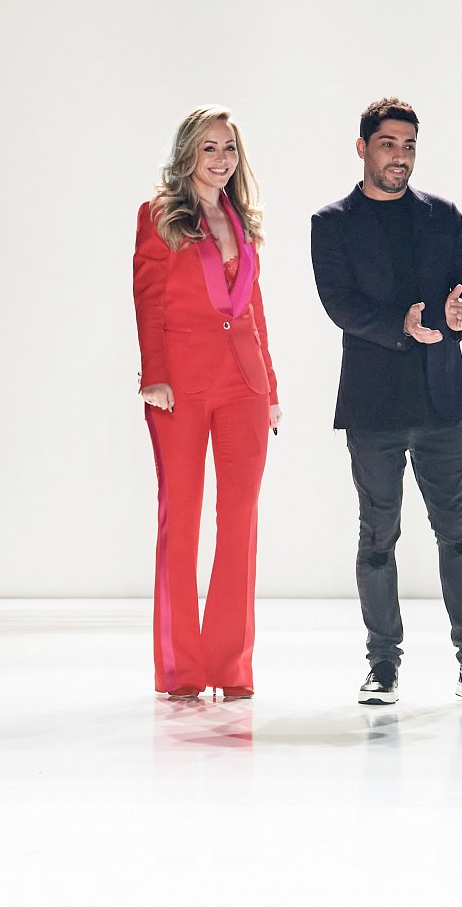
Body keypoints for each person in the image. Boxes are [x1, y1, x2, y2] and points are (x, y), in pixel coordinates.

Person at [311, 97, 462, 706]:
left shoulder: (441, 215)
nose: (400, 156)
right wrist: (402, 324)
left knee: (458, 534)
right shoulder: (332, 222)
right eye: (388, 144)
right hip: (373, 404)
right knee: (379, 537)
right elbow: (339, 303)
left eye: (409, 145)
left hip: (439, 397)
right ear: (362, 147)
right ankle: (383, 665)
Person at [133, 105, 280, 700]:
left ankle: (231, 666)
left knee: (240, 520)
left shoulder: (242, 219)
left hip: (244, 386)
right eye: (210, 148)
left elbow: (254, 310)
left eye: (230, 148)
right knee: (183, 519)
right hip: (180, 386)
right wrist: (155, 375)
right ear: (188, 152)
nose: (221, 159)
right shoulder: (159, 215)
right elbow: (148, 298)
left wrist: (270, 388)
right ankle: (182, 669)